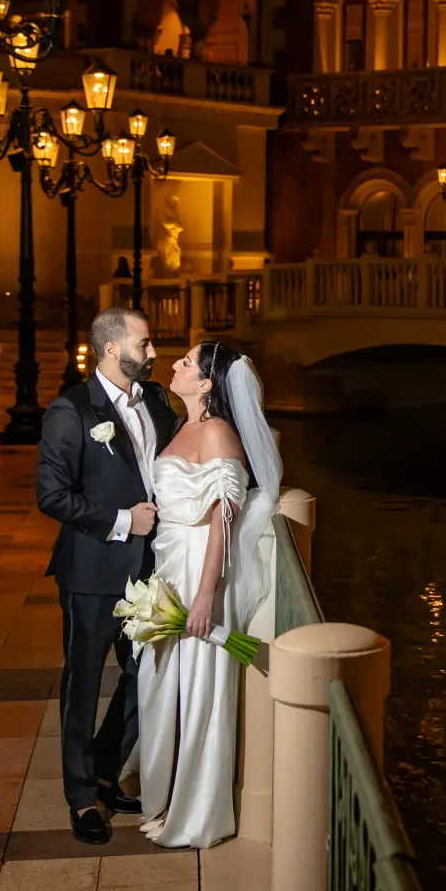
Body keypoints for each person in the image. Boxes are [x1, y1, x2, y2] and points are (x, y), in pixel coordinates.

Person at [36, 307, 178, 845]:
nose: (154, 353)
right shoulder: (71, 412)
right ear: (113, 348)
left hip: (151, 570)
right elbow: (51, 496)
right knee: (84, 679)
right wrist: (122, 520)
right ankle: (80, 797)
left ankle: (102, 766)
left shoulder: (158, 401)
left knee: (149, 674)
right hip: (92, 571)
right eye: (146, 344)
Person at [137, 340, 280, 849]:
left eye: (187, 362)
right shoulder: (185, 426)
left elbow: (224, 516)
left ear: (206, 384)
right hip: (169, 562)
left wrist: (205, 595)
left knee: (198, 691)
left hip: (199, 567)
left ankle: (196, 812)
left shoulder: (217, 431)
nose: (175, 364)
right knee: (161, 685)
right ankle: (167, 797)